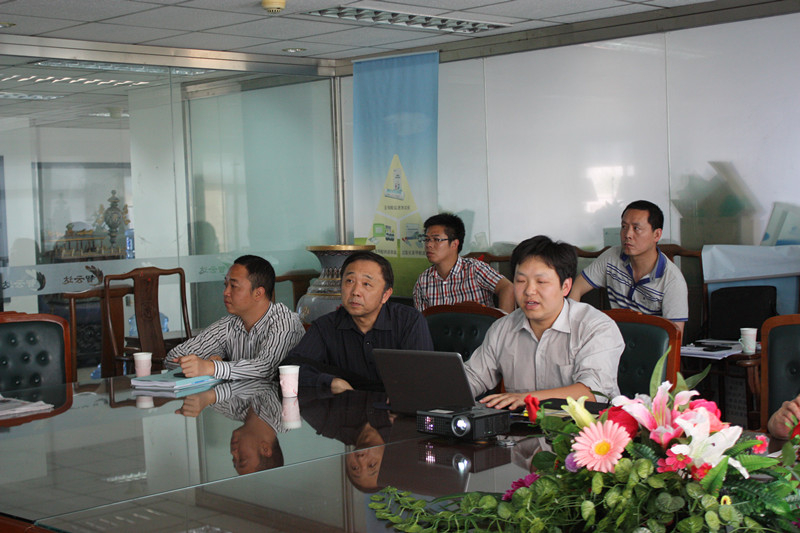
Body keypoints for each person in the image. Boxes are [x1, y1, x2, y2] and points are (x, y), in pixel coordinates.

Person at [465, 235, 625, 410]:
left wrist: (526, 399)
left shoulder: (596, 327)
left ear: (565, 286)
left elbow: (593, 393)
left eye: (541, 282)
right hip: (519, 427)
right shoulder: (503, 328)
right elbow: (473, 377)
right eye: (521, 281)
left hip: (583, 427)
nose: (529, 291)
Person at [285, 251, 433, 393]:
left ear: (386, 295)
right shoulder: (325, 326)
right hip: (346, 408)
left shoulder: (409, 321)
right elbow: (291, 368)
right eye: (349, 281)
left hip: (395, 408)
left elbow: (423, 376)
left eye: (366, 284)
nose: (355, 291)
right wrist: (330, 382)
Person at [166, 255, 305, 380]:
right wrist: (201, 364)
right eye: (226, 285)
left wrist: (211, 368)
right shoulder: (229, 324)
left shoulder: (286, 322)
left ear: (258, 293)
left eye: (234, 286)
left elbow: (266, 368)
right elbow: (173, 357)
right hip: (240, 398)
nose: (225, 292)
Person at [568, 200, 689, 333]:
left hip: (649, 343)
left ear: (657, 235)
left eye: (636, 228)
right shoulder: (611, 257)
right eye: (624, 227)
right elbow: (577, 288)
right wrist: (572, 328)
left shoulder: (673, 281)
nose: (627, 235)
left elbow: (675, 336)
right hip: (612, 339)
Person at [175, 380, 286, 475]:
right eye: (242, 459)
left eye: (234, 460)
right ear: (265, 449)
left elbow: (199, 391)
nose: (233, 452)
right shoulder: (285, 413)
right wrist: (210, 396)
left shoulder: (236, 412)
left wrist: (193, 402)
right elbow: (261, 381)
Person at [413, 213, 514, 313]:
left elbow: (508, 288)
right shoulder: (423, 281)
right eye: (426, 239)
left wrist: (502, 322)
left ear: (454, 244)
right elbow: (422, 320)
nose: (429, 245)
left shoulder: (475, 269)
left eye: (436, 239)